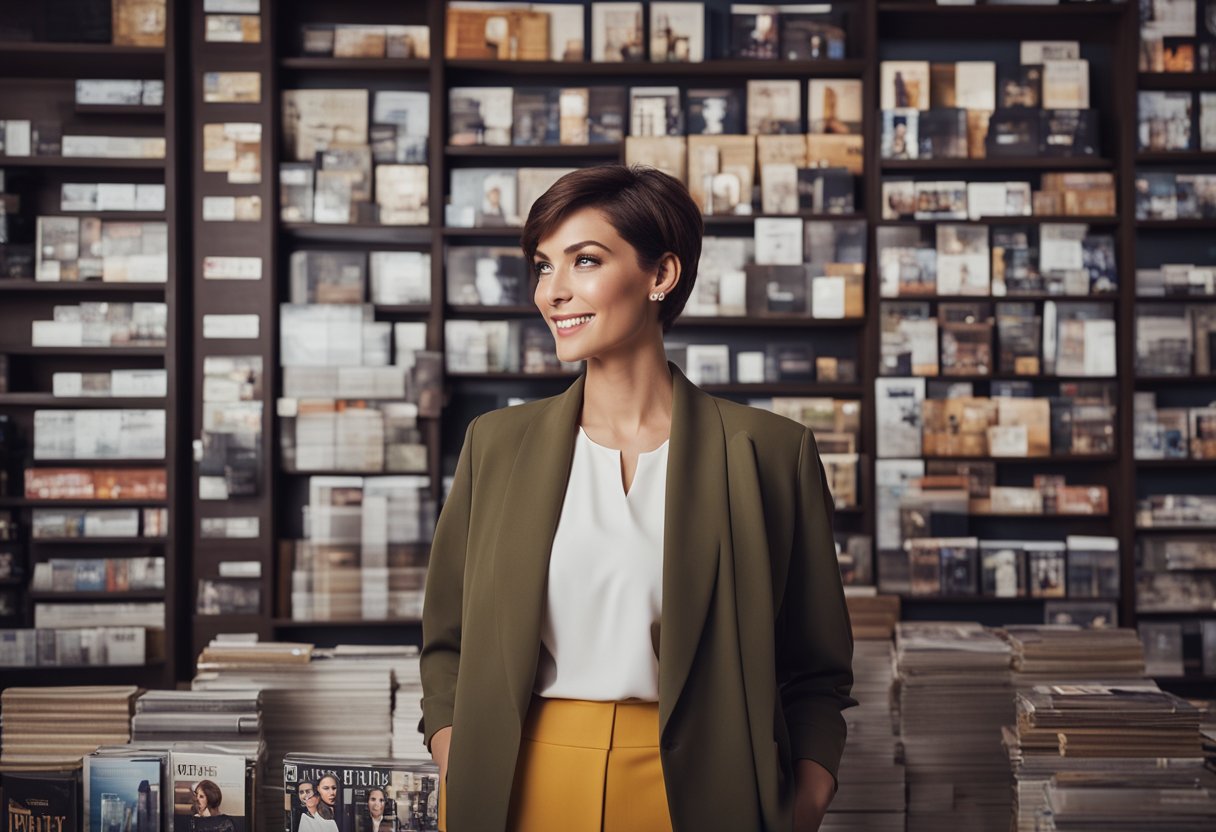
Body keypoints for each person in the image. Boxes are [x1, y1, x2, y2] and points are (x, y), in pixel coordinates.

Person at [420, 164, 856, 832]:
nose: (554, 293)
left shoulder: (770, 452)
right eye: (543, 267)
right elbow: (445, 642)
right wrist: (454, 749)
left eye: (585, 260)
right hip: (518, 786)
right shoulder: (495, 446)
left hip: (705, 793)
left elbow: (816, 668)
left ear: (662, 275)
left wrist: (806, 797)